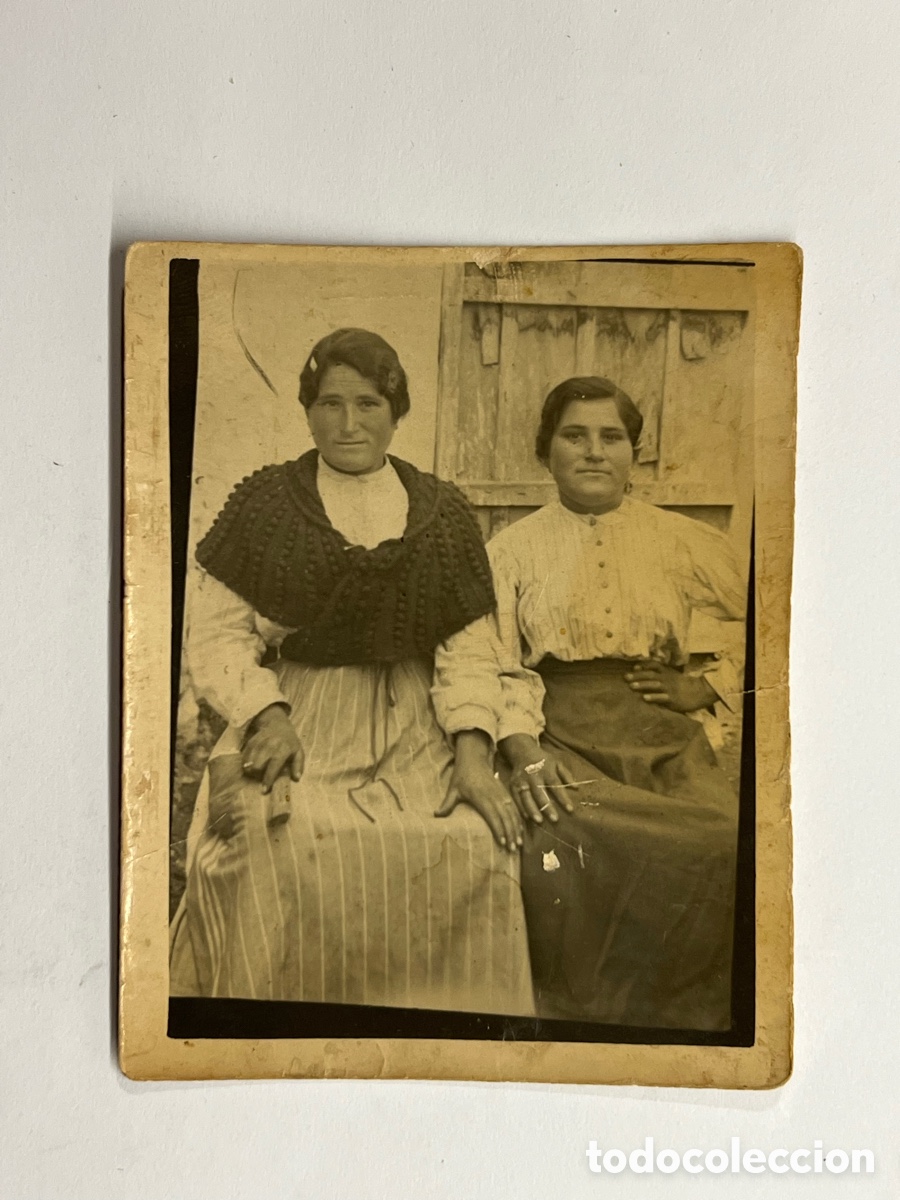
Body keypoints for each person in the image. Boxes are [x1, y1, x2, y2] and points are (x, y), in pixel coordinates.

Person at [170, 328, 533, 1016]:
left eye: (368, 404)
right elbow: (217, 636)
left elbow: (465, 651)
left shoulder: (444, 513)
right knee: (270, 840)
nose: (348, 424)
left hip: (416, 725)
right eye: (329, 404)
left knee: (468, 840)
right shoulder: (265, 505)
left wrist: (474, 756)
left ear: (397, 411)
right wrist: (265, 717)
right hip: (299, 715)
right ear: (306, 410)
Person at [433, 376, 746, 1031]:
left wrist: (709, 684)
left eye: (613, 437)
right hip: (558, 733)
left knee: (724, 840)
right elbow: (489, 660)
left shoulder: (683, 541)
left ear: (636, 453)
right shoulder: (511, 551)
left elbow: (783, 610)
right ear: (546, 449)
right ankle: (582, 1018)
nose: (594, 451)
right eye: (575, 435)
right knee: (556, 838)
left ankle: (682, 1017)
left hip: (662, 735)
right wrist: (520, 752)